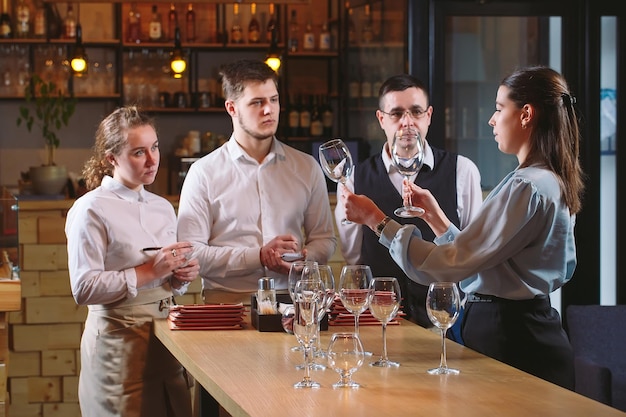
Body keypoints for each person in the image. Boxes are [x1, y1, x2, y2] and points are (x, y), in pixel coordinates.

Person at [340, 65, 584, 390]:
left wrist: (376, 220)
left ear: (526, 115)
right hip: (519, 329)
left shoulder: (527, 187)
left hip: (513, 336)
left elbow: (450, 266)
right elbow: (482, 262)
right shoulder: (545, 180)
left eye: (499, 109)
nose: (492, 120)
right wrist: (437, 219)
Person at [65, 106, 199, 417]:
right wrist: (151, 269)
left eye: (154, 148)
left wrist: (178, 276)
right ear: (111, 158)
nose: (152, 160)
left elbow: (163, 281)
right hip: (117, 346)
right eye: (139, 152)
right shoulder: (90, 209)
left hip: (167, 339)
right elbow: (83, 288)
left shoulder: (163, 207)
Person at [177, 58, 336, 307]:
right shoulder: (203, 173)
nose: (268, 110)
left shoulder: (306, 167)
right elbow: (192, 253)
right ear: (232, 108)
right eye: (257, 103)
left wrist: (304, 258)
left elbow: (325, 239)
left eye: (273, 100)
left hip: (293, 303)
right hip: (227, 306)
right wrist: (259, 257)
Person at [335, 74, 482, 333]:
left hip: (445, 322)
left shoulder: (463, 171)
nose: (407, 123)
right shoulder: (354, 178)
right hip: (380, 320)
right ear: (381, 119)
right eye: (396, 113)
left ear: (429, 115)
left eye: (416, 112)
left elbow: (472, 254)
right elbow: (354, 256)